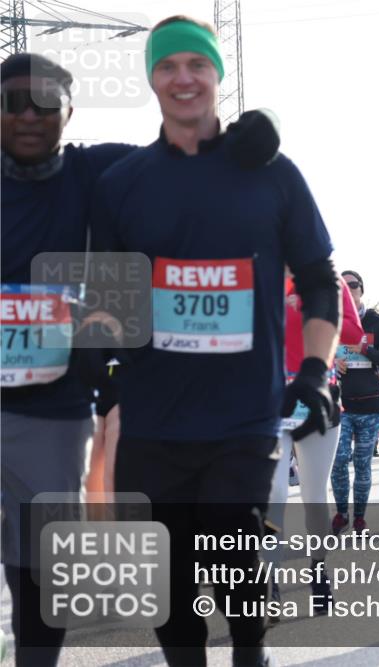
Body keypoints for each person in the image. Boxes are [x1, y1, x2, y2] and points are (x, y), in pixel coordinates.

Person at [1, 49, 281, 667]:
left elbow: (183, 156)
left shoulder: (97, 172)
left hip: (48, 413)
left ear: (69, 111)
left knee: (36, 565)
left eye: (44, 101)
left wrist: (244, 135)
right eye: (11, 102)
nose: (28, 115)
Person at [89, 16, 337, 667]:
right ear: (151, 78)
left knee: (232, 554)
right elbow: (108, 302)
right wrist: (108, 381)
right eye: (168, 66)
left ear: (218, 75)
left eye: (196, 65)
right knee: (169, 589)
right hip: (153, 421)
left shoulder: (274, 174)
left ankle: (251, 646)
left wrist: (314, 370)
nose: (183, 78)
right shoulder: (123, 183)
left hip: (243, 418)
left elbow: (319, 280)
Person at [264, 274, 362, 613]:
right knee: (273, 493)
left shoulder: (329, 280)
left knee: (313, 496)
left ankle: (319, 571)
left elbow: (353, 333)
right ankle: (270, 582)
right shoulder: (258, 273)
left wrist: (311, 308)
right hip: (269, 400)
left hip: (318, 398)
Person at [331, 270, 379, 534]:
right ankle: (340, 513)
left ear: (362, 289)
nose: (349, 290)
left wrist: (366, 350)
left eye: (354, 285)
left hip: (370, 405)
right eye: (342, 286)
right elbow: (312, 352)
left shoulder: (375, 320)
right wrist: (333, 362)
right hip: (341, 404)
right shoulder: (330, 319)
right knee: (338, 460)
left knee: (362, 463)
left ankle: (359, 517)